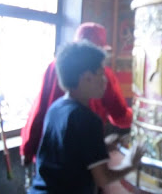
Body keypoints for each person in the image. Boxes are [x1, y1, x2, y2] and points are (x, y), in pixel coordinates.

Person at [28, 41, 145, 194]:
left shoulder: (56, 108)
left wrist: (100, 147)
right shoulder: (87, 119)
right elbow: (103, 178)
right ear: (87, 78)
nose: (105, 81)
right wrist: (130, 163)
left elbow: (68, 152)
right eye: (101, 74)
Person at [20, 23, 133, 168]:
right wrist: (140, 118)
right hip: (82, 157)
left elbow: (39, 110)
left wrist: (28, 148)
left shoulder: (55, 67)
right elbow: (120, 116)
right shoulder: (101, 74)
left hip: (49, 153)